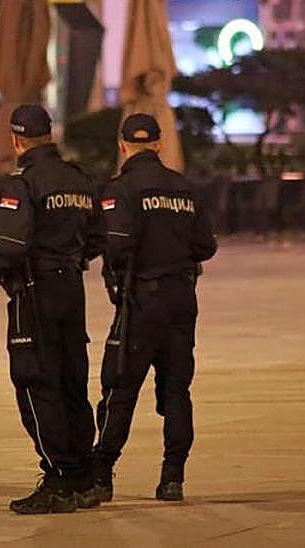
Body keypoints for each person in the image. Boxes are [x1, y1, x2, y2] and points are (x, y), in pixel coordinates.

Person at [92, 113, 218, 503]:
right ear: (159, 145)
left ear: (123, 145)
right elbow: (206, 246)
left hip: (141, 301)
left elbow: (116, 244)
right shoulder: (183, 188)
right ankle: (172, 477)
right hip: (182, 299)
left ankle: (102, 475)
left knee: (120, 387)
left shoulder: (120, 189)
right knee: (177, 389)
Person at [0, 104, 105, 515]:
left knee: (36, 381)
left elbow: (8, 249)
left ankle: (58, 476)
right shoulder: (78, 179)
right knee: (72, 379)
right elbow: (99, 236)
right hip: (71, 288)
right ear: (50, 135)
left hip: (34, 291)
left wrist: (2, 275)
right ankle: (82, 474)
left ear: (16, 139)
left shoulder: (23, 183)